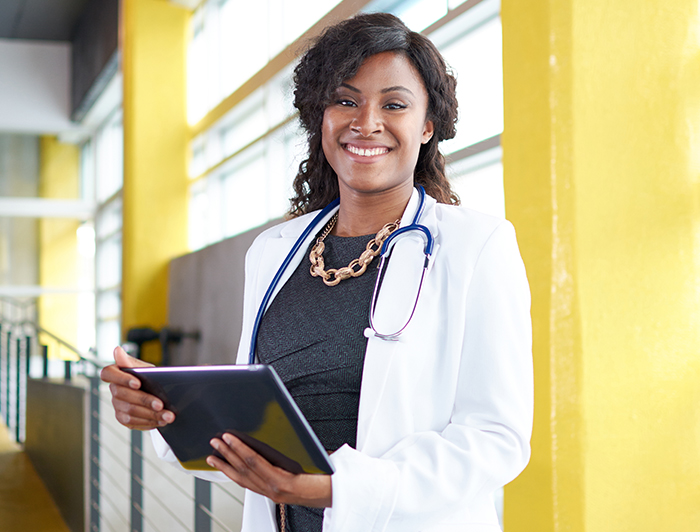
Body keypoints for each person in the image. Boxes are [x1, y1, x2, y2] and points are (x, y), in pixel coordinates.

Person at [101, 12, 533, 532]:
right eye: (345, 100)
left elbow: (495, 438)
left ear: (427, 125)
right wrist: (168, 412)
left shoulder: (475, 246)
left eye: (393, 104)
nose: (366, 121)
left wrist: (338, 490)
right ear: (319, 116)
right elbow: (258, 422)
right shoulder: (273, 252)